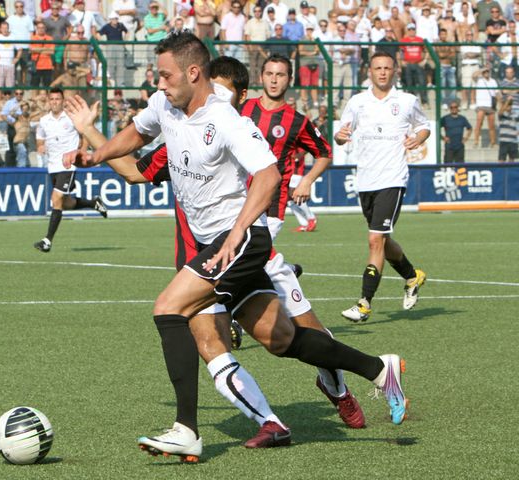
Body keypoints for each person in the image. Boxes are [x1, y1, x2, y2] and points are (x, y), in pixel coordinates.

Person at [67, 33, 409, 462]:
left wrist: (235, 234)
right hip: (220, 242)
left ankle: (186, 430)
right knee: (281, 339)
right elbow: (136, 135)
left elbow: (267, 176)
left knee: (169, 309)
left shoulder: (226, 119)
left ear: (194, 73)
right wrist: (93, 156)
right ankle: (379, 369)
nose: (160, 82)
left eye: (166, 74)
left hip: (240, 239)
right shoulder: (165, 104)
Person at [334, 51, 429, 323]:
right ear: (370, 71)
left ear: (395, 71)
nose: (383, 72)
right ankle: (412, 276)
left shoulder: (407, 101)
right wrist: (340, 137)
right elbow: (342, 135)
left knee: (375, 239)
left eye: (388, 68)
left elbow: (423, 127)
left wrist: (419, 139)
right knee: (383, 241)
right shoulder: (357, 102)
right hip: (365, 181)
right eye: (378, 68)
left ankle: (364, 303)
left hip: (393, 178)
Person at [240, 54, 330, 244]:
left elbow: (325, 153)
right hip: (236, 199)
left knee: (248, 260)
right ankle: (288, 271)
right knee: (244, 262)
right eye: (269, 74)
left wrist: (307, 181)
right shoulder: (241, 109)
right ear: (261, 77)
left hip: (272, 205)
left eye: (280, 75)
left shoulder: (297, 121)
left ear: (289, 80)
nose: (273, 80)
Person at [33, 88, 107, 253]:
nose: (54, 102)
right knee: (65, 203)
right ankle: (93, 202)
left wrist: (83, 151)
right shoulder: (44, 121)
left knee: (56, 198)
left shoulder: (70, 117)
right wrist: (40, 146)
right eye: (51, 99)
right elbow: (39, 140)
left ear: (62, 100)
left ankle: (47, 241)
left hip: (68, 164)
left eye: (57, 99)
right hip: (52, 166)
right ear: (48, 101)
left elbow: (85, 134)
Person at [472, 66, 498, 146]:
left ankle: (493, 142)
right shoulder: (479, 80)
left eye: (487, 72)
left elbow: (496, 92)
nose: (486, 73)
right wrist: (482, 69)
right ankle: (476, 141)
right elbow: (474, 76)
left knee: (491, 125)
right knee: (479, 123)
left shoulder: (493, 81)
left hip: (490, 105)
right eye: (485, 72)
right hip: (481, 104)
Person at [30, 21, 55, 87]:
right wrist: (45, 49)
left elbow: (52, 51)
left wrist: (38, 49)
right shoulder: (33, 38)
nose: (41, 29)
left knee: (47, 86)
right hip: (36, 65)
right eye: (39, 28)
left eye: (42, 28)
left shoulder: (50, 38)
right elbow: (32, 50)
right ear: (37, 29)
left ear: (45, 29)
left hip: (47, 66)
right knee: (35, 86)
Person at [497, 95, 518, 161]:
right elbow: (500, 112)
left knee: (512, 160)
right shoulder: (502, 115)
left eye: (510, 105)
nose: (509, 107)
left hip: (513, 141)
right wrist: (508, 101)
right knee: (501, 160)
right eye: (508, 105)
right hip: (504, 141)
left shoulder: (515, 115)